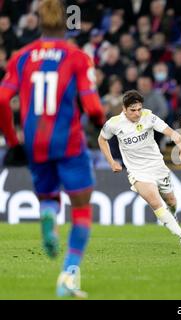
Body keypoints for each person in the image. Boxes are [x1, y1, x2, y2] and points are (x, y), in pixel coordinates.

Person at [0, 0, 105, 298]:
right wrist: (99, 122)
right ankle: (68, 276)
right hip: (68, 141)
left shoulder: (21, 57)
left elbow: (2, 99)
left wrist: (12, 140)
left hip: (35, 141)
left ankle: (48, 215)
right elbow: (94, 106)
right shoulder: (77, 57)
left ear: (39, 21)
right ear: (67, 23)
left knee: (48, 196)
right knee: (82, 209)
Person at [98, 90, 181, 247]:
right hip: (137, 172)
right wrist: (111, 162)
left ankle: (173, 215)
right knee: (155, 201)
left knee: (171, 201)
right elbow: (102, 139)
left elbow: (173, 133)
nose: (137, 113)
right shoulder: (114, 123)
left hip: (157, 166)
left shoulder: (149, 117)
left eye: (139, 109)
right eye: (133, 110)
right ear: (124, 109)